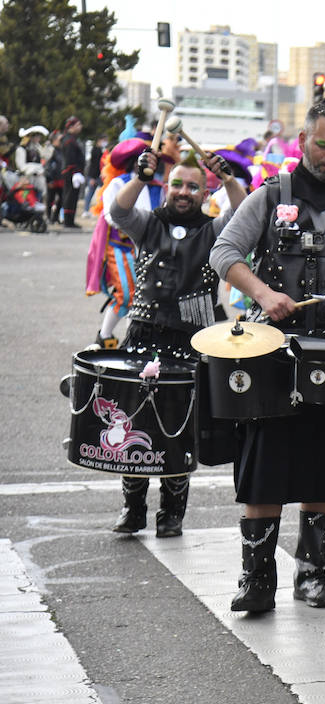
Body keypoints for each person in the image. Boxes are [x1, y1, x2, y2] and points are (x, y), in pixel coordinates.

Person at [210, 97, 325, 613]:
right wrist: (264, 294)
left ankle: (312, 572)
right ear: (301, 142)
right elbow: (223, 252)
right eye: (323, 145)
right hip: (272, 354)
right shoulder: (270, 197)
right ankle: (256, 578)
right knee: (264, 467)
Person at [106, 148, 247, 537]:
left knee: (179, 427)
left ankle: (172, 513)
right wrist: (140, 177)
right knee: (135, 421)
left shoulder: (215, 230)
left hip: (193, 339)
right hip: (144, 333)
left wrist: (229, 179)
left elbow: (246, 211)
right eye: (177, 185)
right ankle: (133, 508)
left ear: (206, 192)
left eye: (194, 186)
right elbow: (117, 213)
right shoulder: (147, 223)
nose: (184, 192)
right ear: (166, 187)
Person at [92, 130, 184, 348]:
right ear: (135, 161)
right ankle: (105, 336)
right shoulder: (117, 184)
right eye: (146, 159)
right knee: (127, 293)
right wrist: (136, 225)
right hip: (121, 247)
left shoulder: (159, 189)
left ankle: (129, 339)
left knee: (143, 296)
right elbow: (112, 216)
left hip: (148, 249)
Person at [58, 116, 86, 228]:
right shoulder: (69, 140)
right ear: (71, 126)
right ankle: (68, 221)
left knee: (73, 196)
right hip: (71, 172)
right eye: (78, 125)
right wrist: (75, 172)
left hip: (73, 172)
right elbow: (70, 158)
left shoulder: (71, 139)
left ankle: (70, 220)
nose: (80, 127)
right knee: (69, 196)